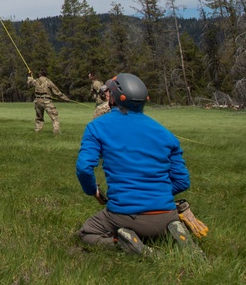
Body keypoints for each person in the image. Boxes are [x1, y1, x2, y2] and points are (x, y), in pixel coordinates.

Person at [76, 73, 200, 255]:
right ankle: (173, 229)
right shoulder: (165, 134)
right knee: (163, 222)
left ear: (115, 99)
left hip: (124, 214)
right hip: (165, 213)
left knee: (87, 233)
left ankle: (125, 243)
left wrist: (92, 190)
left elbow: (84, 168)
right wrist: (156, 194)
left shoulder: (97, 127)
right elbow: (182, 181)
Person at [27, 69, 66, 134]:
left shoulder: (36, 81)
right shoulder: (48, 82)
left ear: (40, 75)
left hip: (38, 101)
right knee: (54, 117)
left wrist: (29, 75)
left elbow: (29, 82)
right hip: (46, 101)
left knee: (39, 118)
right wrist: (66, 98)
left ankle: (38, 131)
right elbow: (57, 91)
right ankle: (56, 131)